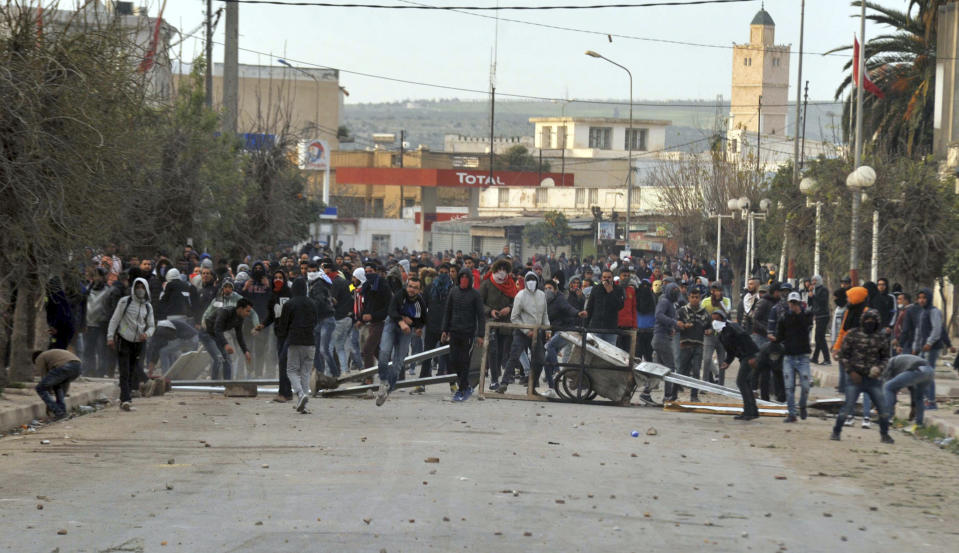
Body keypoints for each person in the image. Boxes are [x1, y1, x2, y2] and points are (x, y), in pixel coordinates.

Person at [832, 310, 894, 443]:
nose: (870, 323)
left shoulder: (881, 337)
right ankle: (836, 431)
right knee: (848, 407)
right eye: (867, 320)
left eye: (873, 320)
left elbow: (886, 357)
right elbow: (843, 356)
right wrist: (851, 372)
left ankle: (884, 434)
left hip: (873, 380)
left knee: (883, 409)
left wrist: (879, 369)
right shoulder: (853, 335)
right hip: (855, 379)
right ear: (862, 320)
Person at [375, 277, 428, 406]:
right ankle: (383, 382)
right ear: (406, 286)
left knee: (399, 361)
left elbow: (423, 320)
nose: (412, 290)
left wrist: (418, 327)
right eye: (410, 286)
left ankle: (388, 389)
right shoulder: (400, 295)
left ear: (419, 290)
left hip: (406, 331)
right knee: (384, 352)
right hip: (392, 324)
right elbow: (392, 310)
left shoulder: (420, 302)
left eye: (415, 288)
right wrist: (401, 321)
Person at [107, 278, 155, 412]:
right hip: (124, 340)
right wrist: (110, 337)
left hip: (139, 342)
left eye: (142, 287)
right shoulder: (125, 302)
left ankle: (126, 398)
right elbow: (115, 319)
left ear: (146, 289)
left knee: (132, 370)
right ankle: (125, 399)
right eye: (137, 286)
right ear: (133, 288)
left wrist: (147, 334)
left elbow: (151, 326)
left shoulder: (148, 306)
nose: (140, 289)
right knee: (124, 371)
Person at [496, 272, 549, 395]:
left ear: (537, 281)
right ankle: (504, 383)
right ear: (525, 282)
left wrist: (547, 329)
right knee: (514, 357)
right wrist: (526, 330)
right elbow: (514, 317)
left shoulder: (541, 295)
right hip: (522, 332)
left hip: (537, 332)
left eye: (533, 279)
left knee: (540, 359)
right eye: (529, 280)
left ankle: (533, 385)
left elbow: (545, 314)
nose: (531, 282)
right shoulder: (520, 295)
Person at [441, 268, 486, 402]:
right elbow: (447, 311)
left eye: (467, 277)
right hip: (454, 332)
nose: (464, 279)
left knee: (464, 361)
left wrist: (480, 334)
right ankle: (465, 385)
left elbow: (481, 316)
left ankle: (462, 389)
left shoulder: (475, 295)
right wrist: (445, 329)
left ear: (470, 279)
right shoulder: (453, 291)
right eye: (462, 277)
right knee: (454, 360)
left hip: (468, 333)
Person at [277, 278, 318, 413]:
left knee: (291, 370)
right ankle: (304, 404)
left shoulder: (289, 304)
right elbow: (316, 321)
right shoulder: (312, 303)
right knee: (305, 372)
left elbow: (283, 325)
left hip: (294, 340)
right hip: (310, 341)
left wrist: (282, 337)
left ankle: (300, 394)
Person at [714, 309, 760, 420]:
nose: (715, 321)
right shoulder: (722, 335)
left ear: (723, 318)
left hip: (749, 355)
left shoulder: (733, 327)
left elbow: (745, 338)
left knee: (741, 382)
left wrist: (752, 356)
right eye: (713, 319)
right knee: (746, 382)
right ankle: (752, 411)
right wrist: (727, 362)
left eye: (717, 319)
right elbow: (731, 351)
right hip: (743, 357)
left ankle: (748, 412)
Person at [668, 286, 711, 402]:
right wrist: (682, 326)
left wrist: (709, 331)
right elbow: (676, 326)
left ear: (700, 298)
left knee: (696, 371)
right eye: (692, 297)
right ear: (689, 298)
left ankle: (694, 396)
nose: (695, 299)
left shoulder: (705, 313)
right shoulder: (682, 311)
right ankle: (674, 394)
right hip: (685, 345)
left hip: (698, 346)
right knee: (680, 371)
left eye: (697, 297)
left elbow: (709, 327)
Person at [479, 259, 517, 390]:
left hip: (506, 324)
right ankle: (494, 379)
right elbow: (480, 303)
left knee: (503, 352)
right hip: (491, 322)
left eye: (504, 269)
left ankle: (499, 374)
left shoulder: (511, 283)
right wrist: (490, 311)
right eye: (499, 269)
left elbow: (516, 300)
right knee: (492, 351)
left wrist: (510, 308)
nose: (502, 272)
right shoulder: (487, 283)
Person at [776, 292, 814, 422]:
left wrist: (799, 313)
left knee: (806, 385)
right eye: (791, 303)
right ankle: (792, 413)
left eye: (795, 303)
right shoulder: (784, 317)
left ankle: (802, 405)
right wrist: (775, 339)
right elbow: (780, 335)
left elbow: (806, 327)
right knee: (789, 387)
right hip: (789, 356)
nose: (793, 305)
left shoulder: (806, 315)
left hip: (803, 356)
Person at [199, 298, 255, 381]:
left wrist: (245, 351)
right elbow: (217, 329)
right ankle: (214, 385)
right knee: (218, 358)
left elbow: (239, 335)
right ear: (240, 309)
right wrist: (226, 344)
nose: (248, 314)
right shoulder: (225, 312)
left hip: (216, 335)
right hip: (207, 334)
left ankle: (227, 385)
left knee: (227, 359)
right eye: (247, 311)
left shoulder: (240, 318)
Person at [912, 288, 943, 410]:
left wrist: (929, 342)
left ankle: (931, 401)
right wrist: (915, 347)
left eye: (924, 298)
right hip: (922, 348)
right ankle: (926, 399)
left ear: (928, 298)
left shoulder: (933, 311)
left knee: (927, 373)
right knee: (920, 373)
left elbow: (937, 329)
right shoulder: (922, 312)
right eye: (919, 298)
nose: (921, 300)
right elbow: (918, 331)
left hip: (932, 348)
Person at [883, 354, 935, 427]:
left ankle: (887, 418)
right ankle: (919, 423)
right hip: (930, 371)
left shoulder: (890, 362)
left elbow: (889, 386)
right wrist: (913, 406)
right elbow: (911, 388)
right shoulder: (902, 362)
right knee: (919, 397)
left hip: (917, 369)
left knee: (887, 387)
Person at [33, 349, 82, 420]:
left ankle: (58, 412)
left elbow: (44, 379)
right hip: (78, 367)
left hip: (65, 366)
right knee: (58, 386)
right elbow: (63, 387)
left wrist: (49, 405)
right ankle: (62, 412)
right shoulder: (51, 355)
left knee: (40, 388)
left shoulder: (39, 357)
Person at [585, 269, 625, 346]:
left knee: (610, 353)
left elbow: (620, 306)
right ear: (601, 278)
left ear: (612, 278)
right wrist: (585, 325)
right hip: (596, 327)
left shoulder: (618, 289)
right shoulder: (596, 288)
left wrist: (611, 292)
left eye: (609, 277)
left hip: (611, 328)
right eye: (604, 277)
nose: (606, 279)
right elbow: (589, 307)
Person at [701, 282, 731, 385]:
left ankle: (721, 385)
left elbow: (727, 313)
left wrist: (720, 303)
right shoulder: (705, 301)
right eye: (714, 290)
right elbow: (702, 317)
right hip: (709, 335)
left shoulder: (726, 301)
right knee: (707, 359)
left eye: (718, 290)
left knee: (722, 361)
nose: (716, 292)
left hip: (723, 335)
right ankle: (704, 383)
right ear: (711, 291)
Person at [809, 275, 831, 365]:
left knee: (820, 337)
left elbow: (823, 301)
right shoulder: (814, 290)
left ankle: (827, 359)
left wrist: (814, 295)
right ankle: (815, 357)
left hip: (823, 316)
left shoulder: (823, 290)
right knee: (818, 338)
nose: (814, 282)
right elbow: (811, 303)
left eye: (815, 280)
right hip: (817, 315)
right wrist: (810, 294)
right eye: (812, 280)